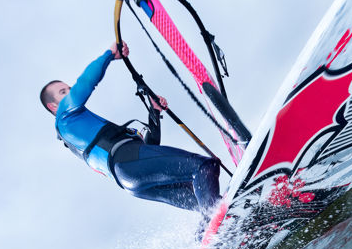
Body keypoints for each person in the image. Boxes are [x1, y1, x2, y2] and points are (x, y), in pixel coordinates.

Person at [40, 42, 222, 214]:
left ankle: (219, 233)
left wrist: (155, 113)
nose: (70, 92)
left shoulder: (82, 133)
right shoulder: (63, 117)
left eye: (69, 89)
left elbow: (150, 149)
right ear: (53, 107)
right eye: (64, 92)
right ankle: (217, 226)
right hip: (127, 163)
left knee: (205, 200)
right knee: (204, 167)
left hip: (131, 181)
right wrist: (109, 53)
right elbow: (85, 83)